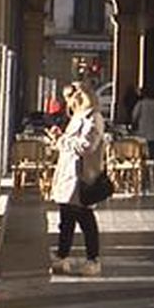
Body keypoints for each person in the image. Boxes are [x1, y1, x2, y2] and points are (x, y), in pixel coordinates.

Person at [48, 81, 105, 276]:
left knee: (84, 218)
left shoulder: (93, 117)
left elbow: (87, 145)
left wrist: (62, 140)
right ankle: (62, 255)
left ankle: (93, 259)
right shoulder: (78, 117)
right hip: (68, 174)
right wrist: (61, 139)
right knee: (66, 218)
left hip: (80, 177)